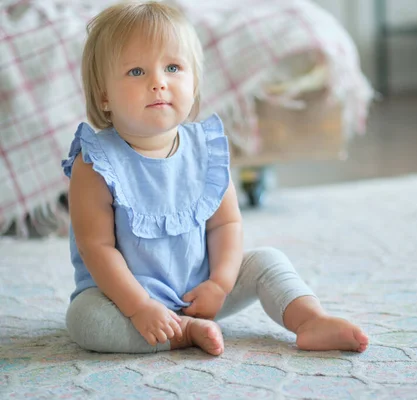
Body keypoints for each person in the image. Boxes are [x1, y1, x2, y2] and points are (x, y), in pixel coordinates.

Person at [61, 1, 368, 355]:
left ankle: (310, 319)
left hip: (201, 292)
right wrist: (139, 307)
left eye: (173, 67)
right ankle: (183, 333)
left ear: (194, 81)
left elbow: (226, 223)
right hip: (123, 299)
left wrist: (220, 284)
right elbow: (97, 248)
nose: (159, 83)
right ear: (104, 96)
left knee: (266, 261)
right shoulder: (95, 163)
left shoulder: (205, 150)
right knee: (86, 320)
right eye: (136, 72)